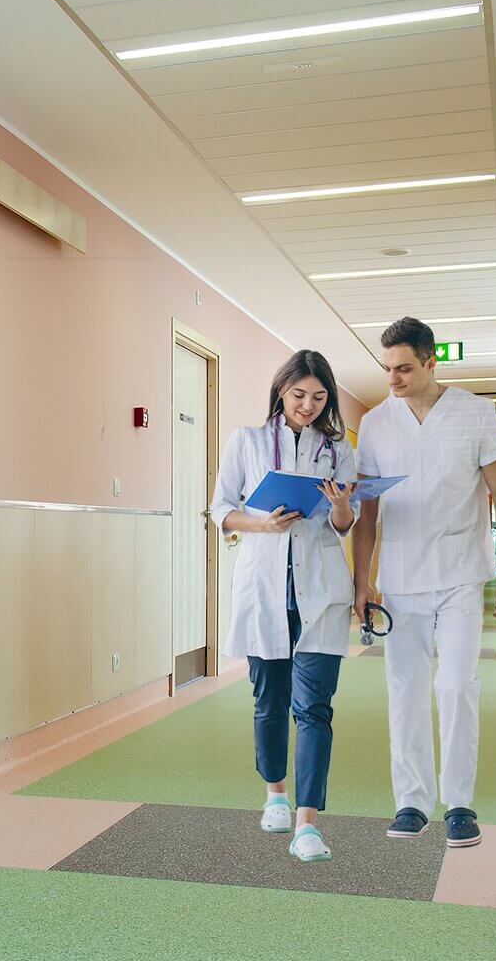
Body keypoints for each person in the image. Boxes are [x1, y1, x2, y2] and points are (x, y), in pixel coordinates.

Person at [351, 317, 496, 849]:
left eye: (404, 368)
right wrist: (363, 580)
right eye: (387, 369)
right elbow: (366, 512)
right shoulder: (377, 424)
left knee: (455, 685)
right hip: (400, 580)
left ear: (431, 362)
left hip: (461, 577)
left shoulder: (475, 413)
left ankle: (460, 805)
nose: (394, 378)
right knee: (403, 689)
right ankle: (411, 801)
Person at [209, 349, 358, 863]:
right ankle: (275, 794)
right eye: (299, 396)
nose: (308, 406)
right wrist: (263, 523)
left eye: (319, 397)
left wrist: (341, 507)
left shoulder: (338, 450)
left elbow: (344, 524)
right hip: (264, 588)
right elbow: (221, 510)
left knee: (314, 708)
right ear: (281, 391)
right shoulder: (246, 441)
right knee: (269, 701)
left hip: (319, 592)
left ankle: (308, 825)